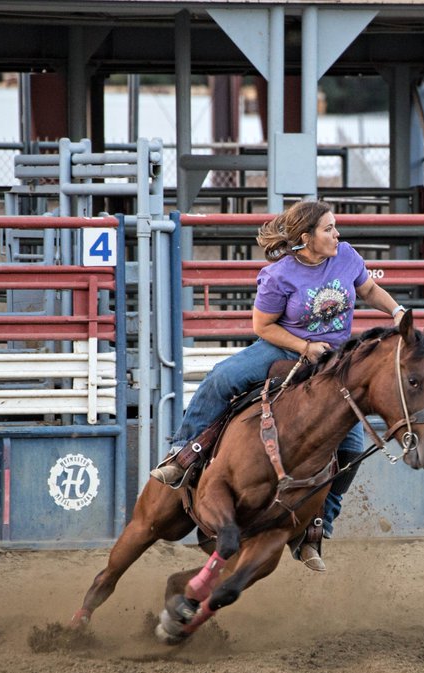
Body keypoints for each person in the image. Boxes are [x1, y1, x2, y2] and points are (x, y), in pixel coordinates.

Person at [150, 200, 408, 572]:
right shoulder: (278, 275)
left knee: (351, 448)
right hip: (282, 347)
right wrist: (304, 346)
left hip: (335, 360)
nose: (337, 234)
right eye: (328, 229)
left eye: (335, 227)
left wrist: (397, 311)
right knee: (222, 377)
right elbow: (263, 326)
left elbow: (367, 290)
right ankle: (183, 453)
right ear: (306, 237)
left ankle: (317, 525)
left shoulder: (346, 256)